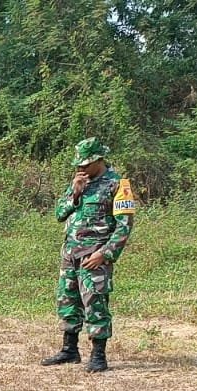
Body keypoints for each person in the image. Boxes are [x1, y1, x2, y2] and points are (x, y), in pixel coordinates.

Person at [41, 137, 136, 373]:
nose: (80, 169)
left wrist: (105, 254)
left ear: (98, 160)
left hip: (94, 255)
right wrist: (75, 193)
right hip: (71, 253)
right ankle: (69, 350)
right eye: (78, 165)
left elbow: (124, 226)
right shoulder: (79, 182)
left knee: (95, 302)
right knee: (67, 300)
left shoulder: (118, 185)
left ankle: (98, 355)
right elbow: (59, 214)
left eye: (85, 164)